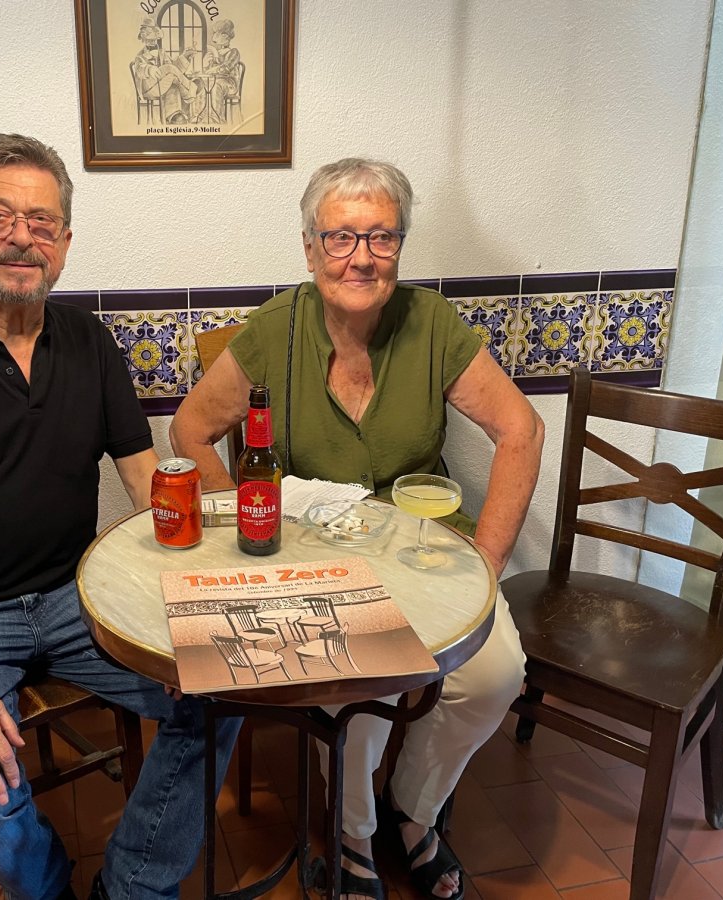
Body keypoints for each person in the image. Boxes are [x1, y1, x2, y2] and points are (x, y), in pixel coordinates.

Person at [0, 133, 238, 900]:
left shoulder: (88, 342)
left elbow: (144, 478)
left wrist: (193, 599)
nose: (22, 237)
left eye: (42, 222)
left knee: (226, 689)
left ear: (63, 244)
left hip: (76, 597)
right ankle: (51, 886)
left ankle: (130, 887)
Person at [169, 158, 543, 900]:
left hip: (427, 550)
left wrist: (488, 561)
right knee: (355, 692)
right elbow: (190, 430)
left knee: (495, 675)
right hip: (323, 559)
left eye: (380, 236)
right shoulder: (274, 329)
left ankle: (414, 810)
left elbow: (522, 430)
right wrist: (253, 526)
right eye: (340, 238)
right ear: (310, 249)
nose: (361, 257)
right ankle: (353, 836)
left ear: (400, 246)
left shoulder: (432, 322)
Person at [132, 18, 200, 125]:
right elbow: (140, 69)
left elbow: (174, 68)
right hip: (149, 88)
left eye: (154, 39)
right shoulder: (140, 56)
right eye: (150, 39)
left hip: (161, 85)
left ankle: (174, 116)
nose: (153, 42)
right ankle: (191, 89)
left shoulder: (162, 53)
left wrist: (185, 56)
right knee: (170, 71)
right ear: (144, 40)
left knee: (173, 78)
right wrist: (150, 69)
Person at [202, 18, 241, 122]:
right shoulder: (216, 52)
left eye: (216, 33)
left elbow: (226, 68)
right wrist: (205, 64)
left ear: (225, 36)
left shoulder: (233, 52)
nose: (214, 36)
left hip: (230, 84)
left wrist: (215, 56)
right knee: (201, 84)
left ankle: (216, 118)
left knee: (216, 85)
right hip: (215, 81)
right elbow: (207, 71)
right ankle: (201, 117)